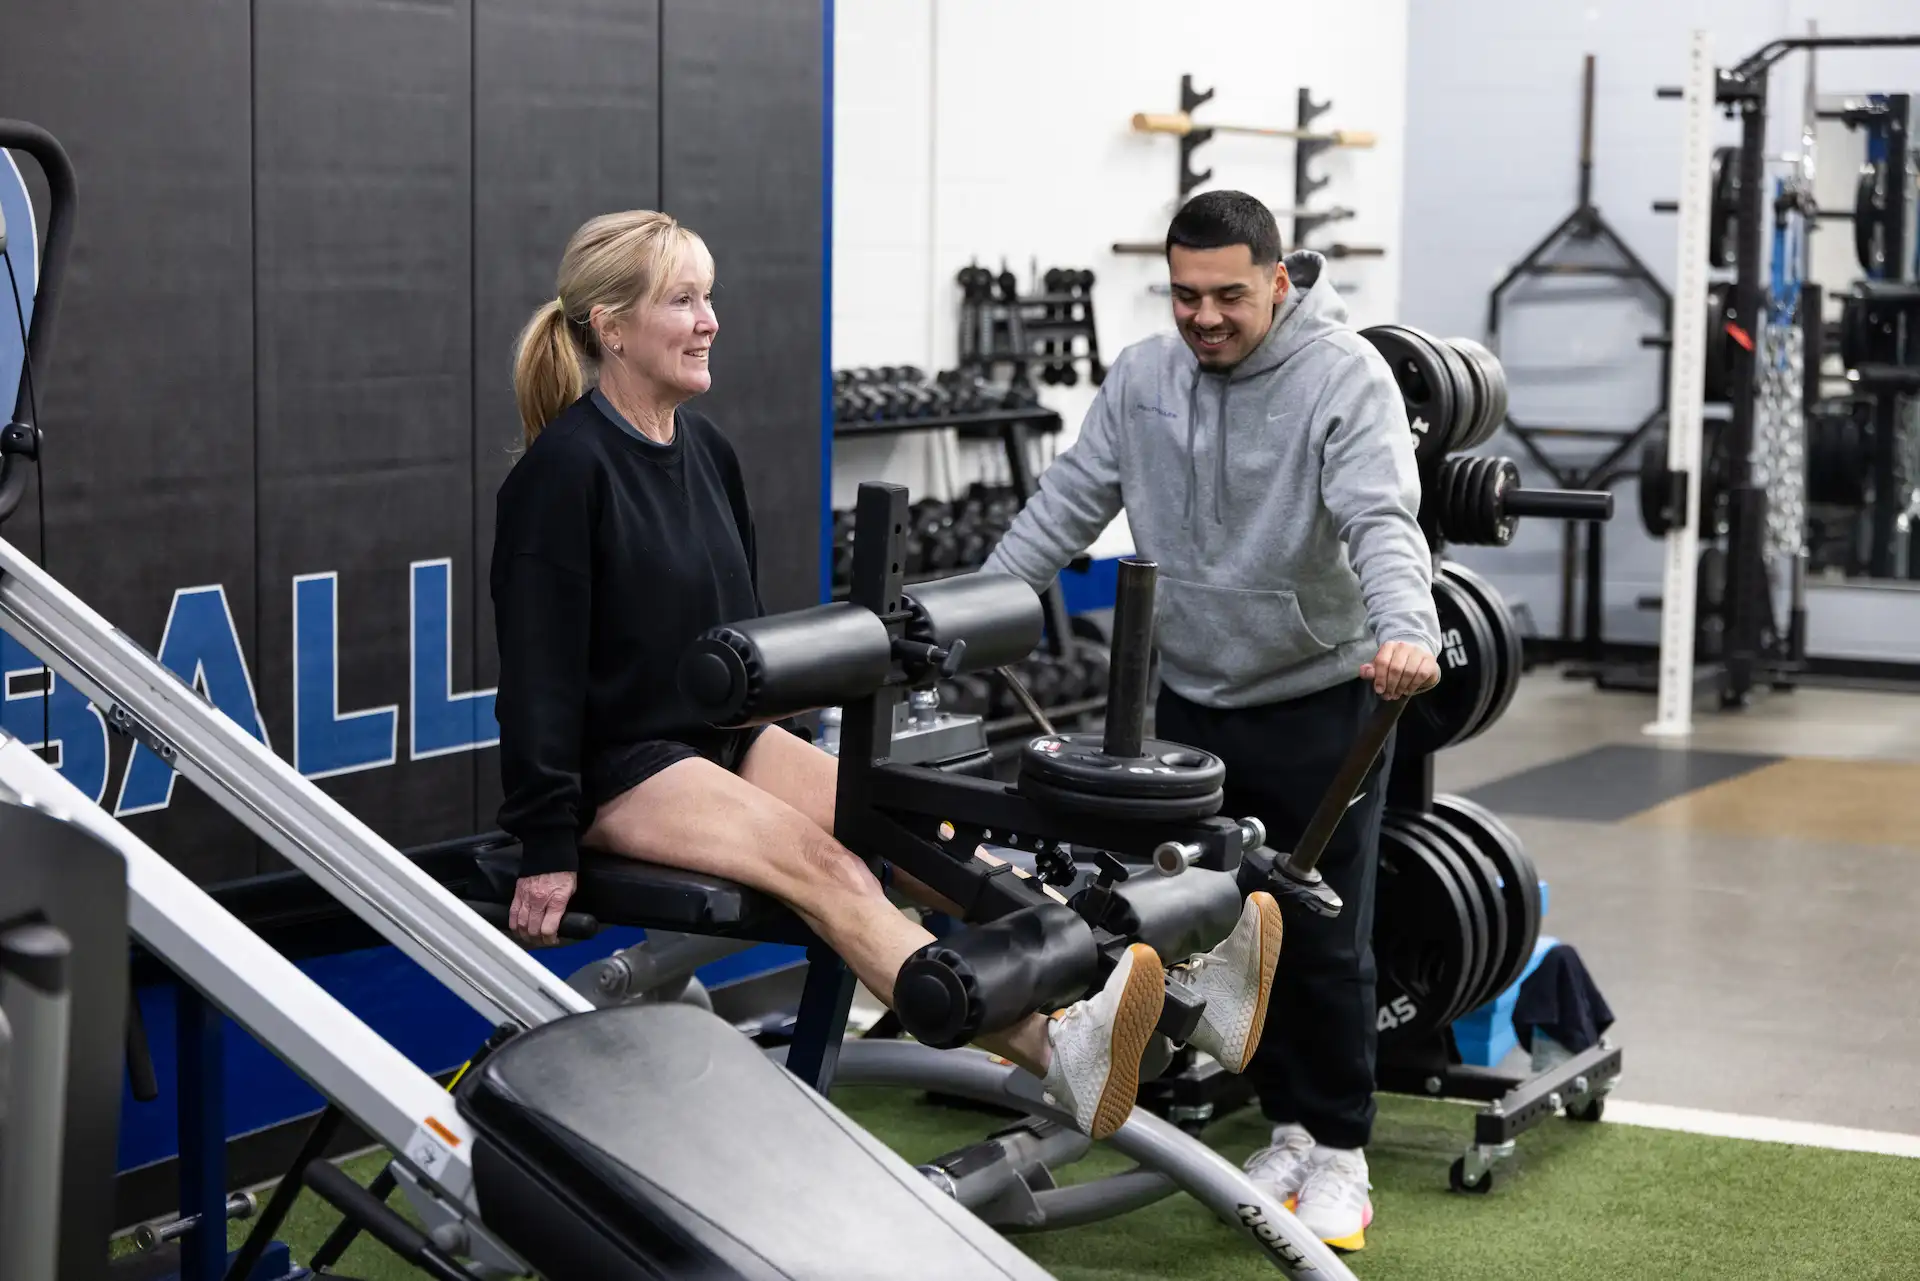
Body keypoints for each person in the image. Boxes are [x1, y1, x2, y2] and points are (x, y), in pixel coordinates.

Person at [488, 209, 1287, 1142]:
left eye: (709, 297)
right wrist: (547, 838)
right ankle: (1053, 1043)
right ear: (611, 326)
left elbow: (733, 638)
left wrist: (797, 744)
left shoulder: (707, 453)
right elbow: (538, 676)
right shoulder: (563, 471)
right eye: (683, 301)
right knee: (829, 863)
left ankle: (1163, 994)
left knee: (926, 831)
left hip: (722, 741)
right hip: (617, 764)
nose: (709, 320)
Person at [981, 190, 1442, 1248]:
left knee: (1320, 937)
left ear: (1281, 280)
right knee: (1217, 934)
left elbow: (1381, 514)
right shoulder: (1144, 377)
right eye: (1186, 295)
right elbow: (1065, 504)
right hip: (1187, 699)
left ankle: (1341, 1153)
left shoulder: (1343, 376)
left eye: (1229, 294)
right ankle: (1283, 1128)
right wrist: (971, 614)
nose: (1205, 317)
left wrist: (1405, 628)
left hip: (1323, 698)